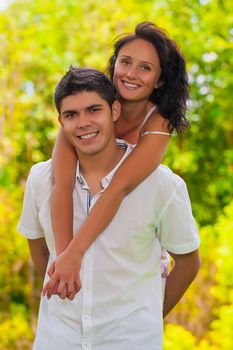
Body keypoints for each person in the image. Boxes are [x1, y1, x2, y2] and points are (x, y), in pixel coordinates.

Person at [18, 67, 200, 349]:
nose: (83, 123)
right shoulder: (41, 180)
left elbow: (188, 263)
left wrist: (147, 318)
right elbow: (40, 249)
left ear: (115, 110)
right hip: (58, 338)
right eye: (71, 115)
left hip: (130, 341)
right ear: (60, 121)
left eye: (93, 110)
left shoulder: (162, 185)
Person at [45, 22, 190, 299]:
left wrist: (75, 253)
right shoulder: (86, 106)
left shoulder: (158, 121)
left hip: (131, 247)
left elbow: (119, 186)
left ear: (159, 80)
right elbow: (62, 184)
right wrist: (64, 259)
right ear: (114, 66)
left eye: (145, 68)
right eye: (125, 62)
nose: (131, 74)